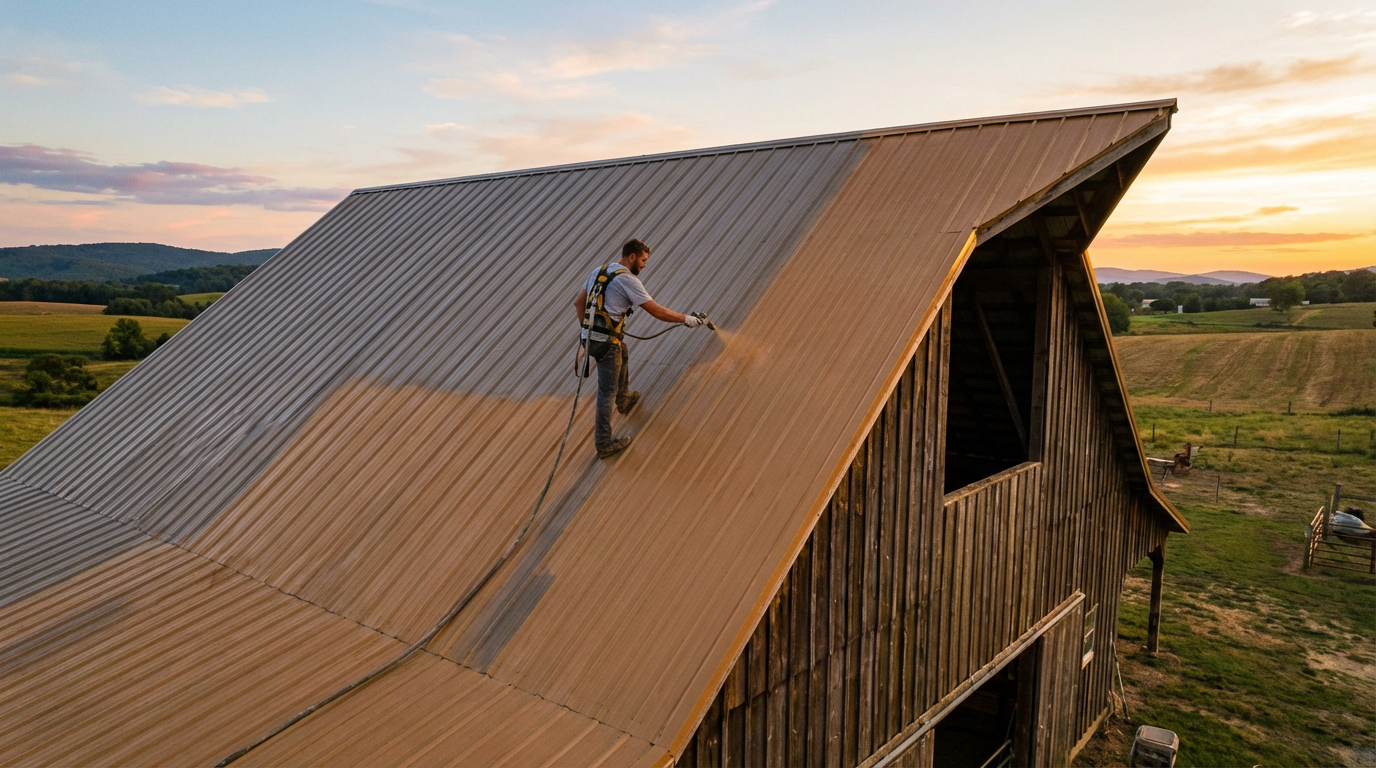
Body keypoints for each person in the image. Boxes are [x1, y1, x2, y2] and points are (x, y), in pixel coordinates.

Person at [572, 239, 707, 458]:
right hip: (605, 342)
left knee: (621, 350)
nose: (644, 265)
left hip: (591, 339)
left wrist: (587, 331)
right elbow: (655, 311)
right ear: (631, 257)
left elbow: (578, 302)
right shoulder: (628, 279)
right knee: (606, 391)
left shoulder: (600, 271)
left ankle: (624, 398)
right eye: (643, 260)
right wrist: (685, 319)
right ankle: (604, 443)